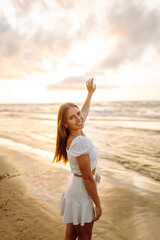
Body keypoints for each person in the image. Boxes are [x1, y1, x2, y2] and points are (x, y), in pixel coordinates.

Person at [53, 78, 102, 240]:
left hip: (75, 188)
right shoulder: (80, 141)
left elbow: (84, 113)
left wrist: (89, 94)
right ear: (65, 123)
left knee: (72, 233)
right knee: (85, 237)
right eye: (72, 117)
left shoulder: (75, 134)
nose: (79, 118)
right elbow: (88, 178)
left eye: (78, 114)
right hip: (82, 192)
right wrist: (98, 205)